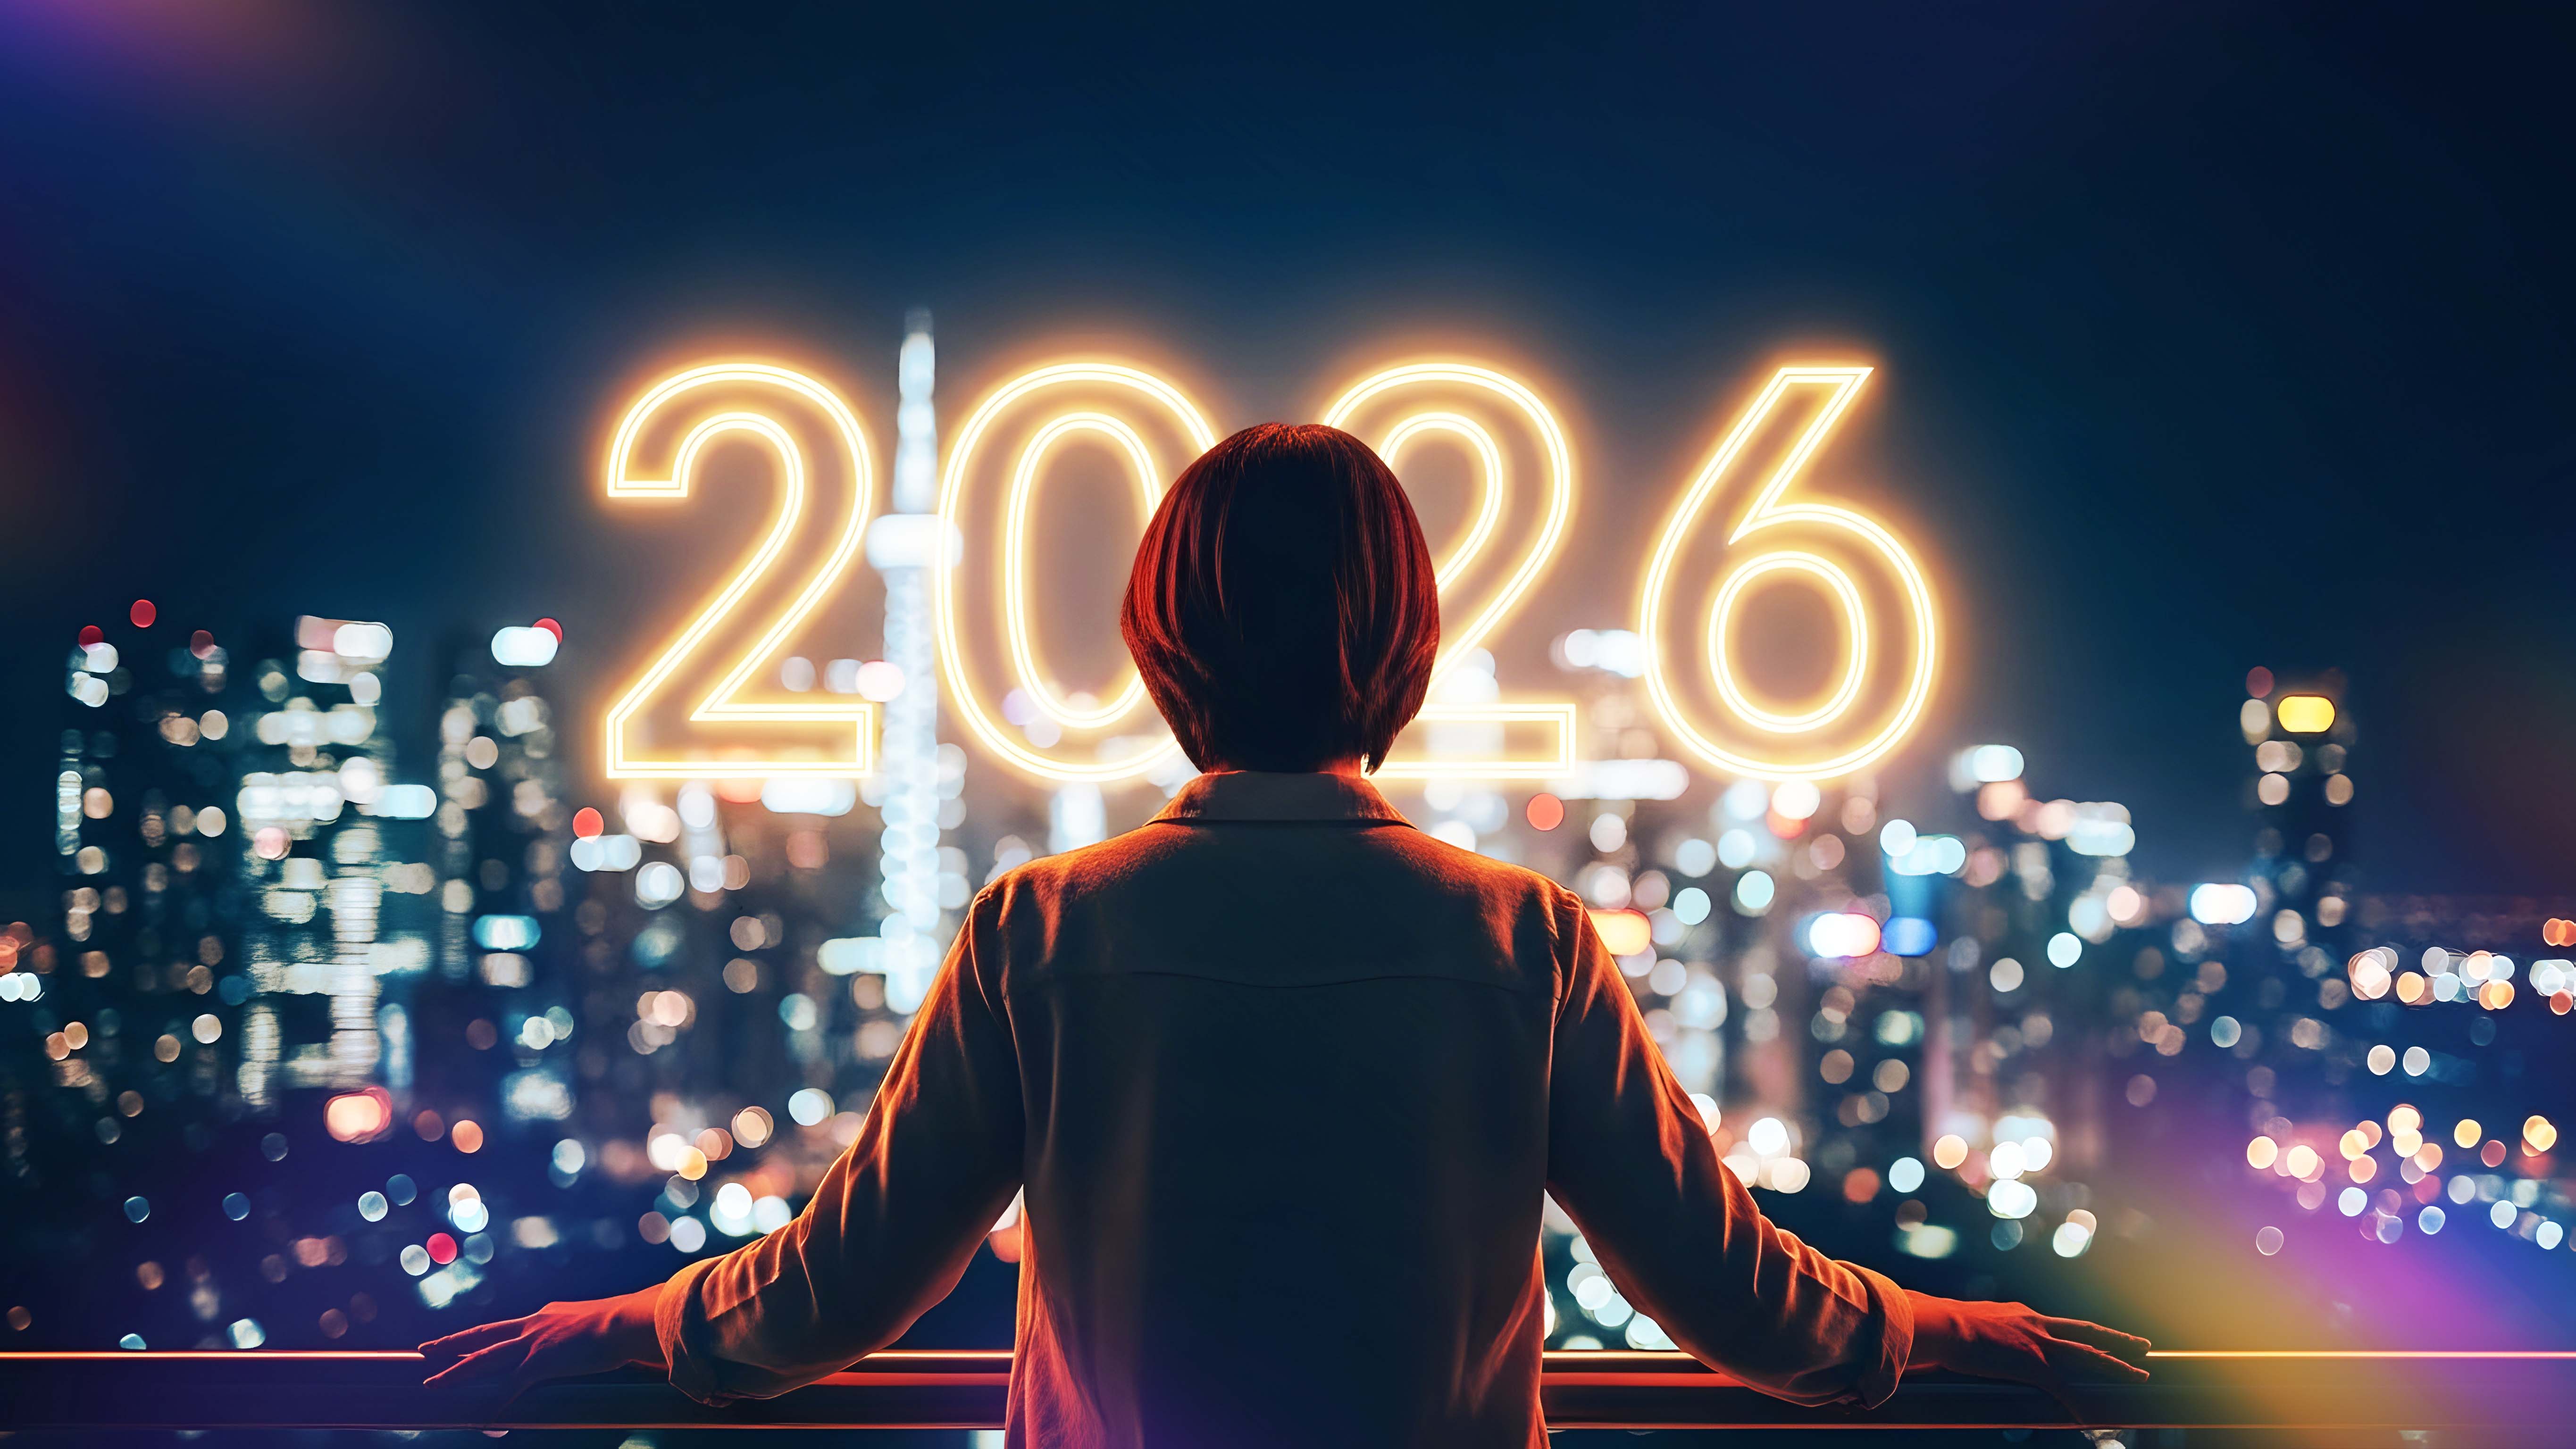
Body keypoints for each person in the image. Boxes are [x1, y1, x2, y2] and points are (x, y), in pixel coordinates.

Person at [423, 423, 2148, 1445]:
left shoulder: (1042, 930)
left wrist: (615, 1332)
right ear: (1406, 646)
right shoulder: (1521, 940)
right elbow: (1746, 1311)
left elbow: (827, 1303)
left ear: (1158, 643)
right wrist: (1948, 1334)